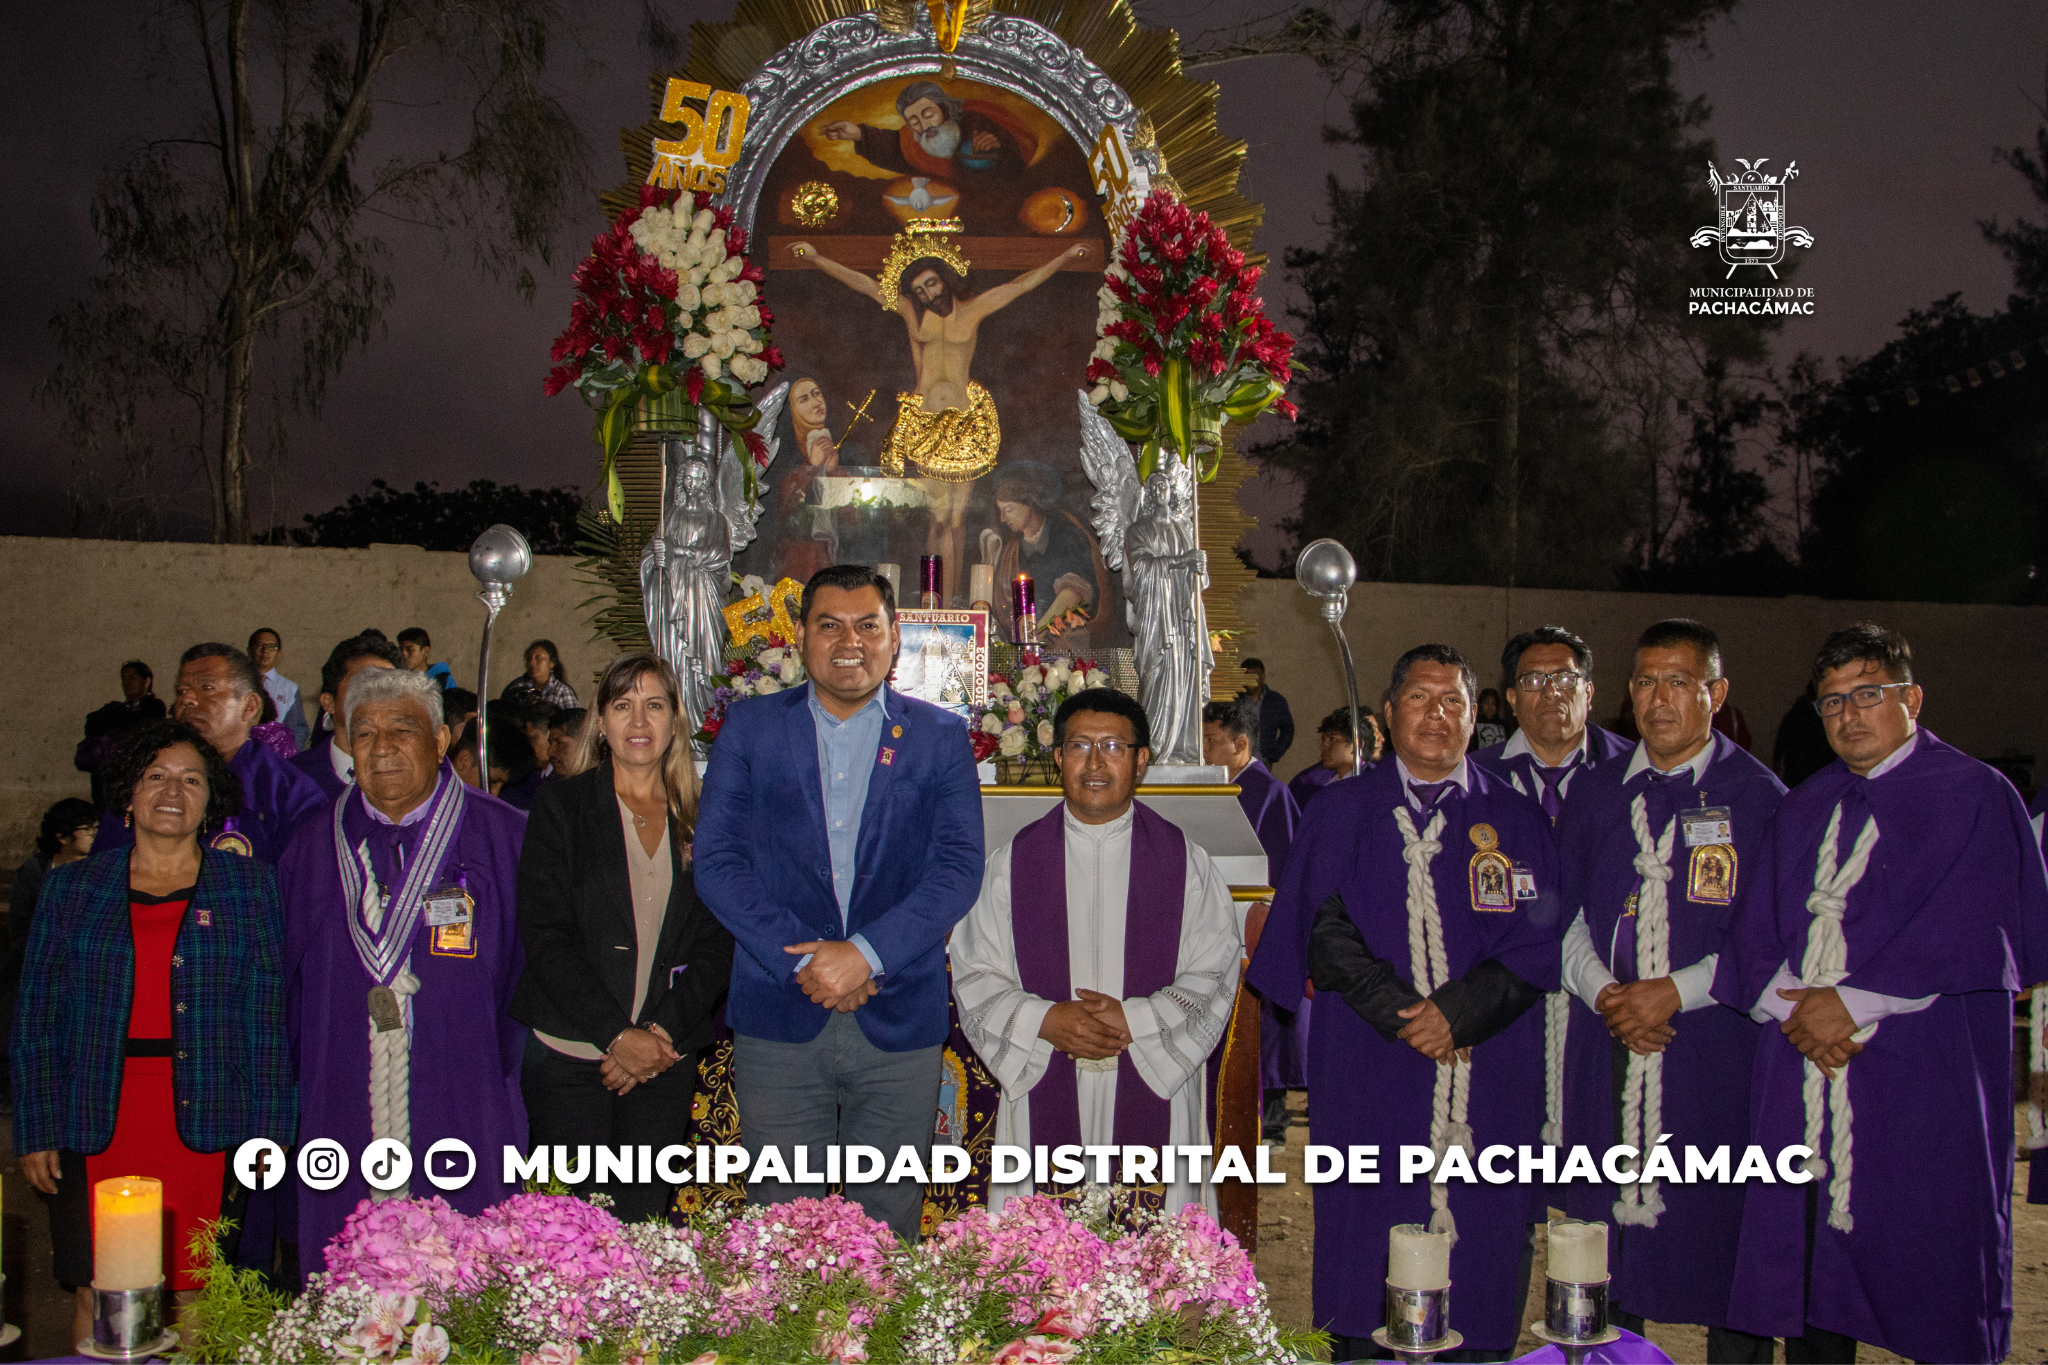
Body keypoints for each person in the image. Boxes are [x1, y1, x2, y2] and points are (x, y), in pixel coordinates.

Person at [1713, 624, 2048, 1365]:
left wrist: (1855, 1002)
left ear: (1912, 698)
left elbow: (1975, 925)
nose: (1849, 714)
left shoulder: (1976, 795)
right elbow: (1756, 934)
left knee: (1934, 1263)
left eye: (1868, 694)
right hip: (1805, 1066)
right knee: (1809, 1277)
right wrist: (1799, 1010)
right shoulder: (1803, 804)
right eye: (1832, 702)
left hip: (1921, 1077)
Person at [1247, 644, 1560, 1361]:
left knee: (1483, 1226)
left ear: (1475, 716)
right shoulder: (1340, 808)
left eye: (1453, 700)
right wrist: (1403, 1012)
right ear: (1388, 714)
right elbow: (1317, 925)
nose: (1436, 715)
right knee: (1369, 1219)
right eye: (1420, 698)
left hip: (1487, 1061)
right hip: (1371, 1057)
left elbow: (1538, 936)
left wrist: (1460, 1012)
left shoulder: (1514, 818)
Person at [694, 564, 984, 1239]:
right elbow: (717, 861)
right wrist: (805, 960)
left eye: (867, 625)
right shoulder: (753, 727)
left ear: (894, 637)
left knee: (887, 1220)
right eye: (829, 624)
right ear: (801, 636)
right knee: (782, 1221)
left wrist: (865, 954)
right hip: (780, 1008)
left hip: (898, 1009)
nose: (848, 640)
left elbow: (958, 866)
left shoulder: (940, 737)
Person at [14, 721, 295, 1344]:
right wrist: (35, 1128)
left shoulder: (249, 889)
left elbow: (267, 1024)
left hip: (208, 1117)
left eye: (191, 779)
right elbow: (35, 1017)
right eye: (156, 776)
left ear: (210, 799)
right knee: (98, 1285)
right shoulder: (72, 888)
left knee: (193, 1288)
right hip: (91, 1116)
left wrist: (270, 1137)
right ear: (128, 795)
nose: (173, 791)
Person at [1552, 619, 1786, 1361]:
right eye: (1647, 681)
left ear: (1715, 693)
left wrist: (1671, 993)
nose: (1660, 698)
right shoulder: (1594, 790)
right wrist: (1605, 995)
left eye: (1680, 681)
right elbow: (1562, 914)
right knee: (1605, 1253)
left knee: (1722, 1236)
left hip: (1712, 1050)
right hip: (1608, 1042)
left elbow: (1771, 934)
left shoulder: (1758, 797)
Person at [953, 689, 1241, 1215]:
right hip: (1047, 1068)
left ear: (1141, 760)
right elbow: (976, 971)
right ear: (1058, 757)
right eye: (1080, 745)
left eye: (1112, 745)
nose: (1095, 761)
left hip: (1153, 1071)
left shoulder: (1186, 863)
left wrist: (1136, 1020)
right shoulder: (1012, 864)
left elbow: (1216, 970)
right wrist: (1045, 1019)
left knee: (1157, 1268)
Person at [279, 667, 529, 1270]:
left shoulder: (507, 836)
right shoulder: (309, 847)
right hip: (341, 1098)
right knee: (344, 1271)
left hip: (465, 1089)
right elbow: (284, 991)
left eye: (402, 729)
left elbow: (531, 974)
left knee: (470, 1271)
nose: (382, 746)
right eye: (363, 732)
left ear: (442, 740)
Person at [511, 654, 735, 1224]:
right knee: (567, 1235)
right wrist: (616, 1036)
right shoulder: (562, 806)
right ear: (602, 722)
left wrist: (653, 1036)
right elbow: (546, 936)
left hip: (662, 1058)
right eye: (623, 705)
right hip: (571, 1054)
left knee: (641, 1229)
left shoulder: (702, 815)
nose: (640, 721)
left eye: (655, 705)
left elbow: (719, 941)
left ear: (675, 721)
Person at [787, 236, 1089, 581]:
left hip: (965, 425)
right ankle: (934, 597)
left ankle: (951, 598)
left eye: (932, 283)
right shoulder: (911, 312)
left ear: (945, 279)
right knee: (938, 517)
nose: (929, 295)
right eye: (919, 290)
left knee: (958, 520)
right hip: (927, 423)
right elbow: (867, 286)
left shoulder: (974, 309)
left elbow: (1020, 285)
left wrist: (1064, 256)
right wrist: (817, 259)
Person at [95, 644, 326, 863]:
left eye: (207, 688)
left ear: (250, 706)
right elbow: (102, 873)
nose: (187, 699)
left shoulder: (290, 794)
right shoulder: (142, 780)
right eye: (181, 691)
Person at [1202, 697, 1305, 1145]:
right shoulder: (1213, 791)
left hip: (1257, 925)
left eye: (1210, 741)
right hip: (1216, 924)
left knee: (1266, 1025)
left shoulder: (1269, 793)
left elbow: (1282, 866)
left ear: (1240, 744)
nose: (1203, 751)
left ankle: (1273, 1123)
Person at [1473, 626, 1632, 824]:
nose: (1550, 692)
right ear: (1513, 699)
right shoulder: (1476, 775)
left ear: (1588, 694)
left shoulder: (1632, 766)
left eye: (1564, 679)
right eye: (1532, 680)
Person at [4, 798, 99, 1093]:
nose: (96, 836)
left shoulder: (101, 870)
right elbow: (20, 928)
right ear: (62, 836)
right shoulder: (35, 872)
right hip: (38, 961)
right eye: (88, 830)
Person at [823, 80, 1034, 186]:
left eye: (928, 114)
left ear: (943, 108)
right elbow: (894, 147)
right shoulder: (917, 147)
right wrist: (858, 133)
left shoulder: (977, 117)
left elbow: (1019, 146)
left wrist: (1000, 144)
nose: (924, 126)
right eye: (914, 122)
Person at [990, 462, 1106, 643]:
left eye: (1008, 510)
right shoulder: (1011, 550)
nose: (1003, 519)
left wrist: (1033, 638)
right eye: (1000, 511)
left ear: (1028, 504)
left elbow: (1074, 591)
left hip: (1064, 647)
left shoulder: (1066, 533)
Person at [289, 634, 404, 801]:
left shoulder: (417, 777)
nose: (378, 696)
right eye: (363, 684)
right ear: (329, 702)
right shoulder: (294, 778)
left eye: (389, 686)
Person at [78, 661, 167, 806]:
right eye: (124, 678)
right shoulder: (115, 709)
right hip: (108, 780)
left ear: (146, 681)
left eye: (132, 677)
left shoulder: (154, 707)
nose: (127, 683)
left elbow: (139, 730)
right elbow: (92, 725)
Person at [1288, 707, 1371, 810]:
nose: (1323, 745)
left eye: (1332, 739)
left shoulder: (1371, 784)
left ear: (1356, 745)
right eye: (1323, 739)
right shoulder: (1321, 784)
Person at [248, 628, 310, 752]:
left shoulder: (289, 688)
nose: (265, 651)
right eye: (260, 645)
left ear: (279, 653)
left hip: (276, 755)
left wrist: (288, 752)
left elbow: (298, 728)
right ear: (249, 650)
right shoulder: (239, 683)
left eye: (272, 647)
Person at [1771, 683, 1835, 788]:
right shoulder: (1797, 712)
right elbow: (1783, 736)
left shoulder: (1827, 714)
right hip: (1798, 770)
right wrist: (1776, 760)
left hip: (1821, 770)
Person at [1235, 658, 1295, 766]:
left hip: (1263, 761)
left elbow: (1288, 730)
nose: (1251, 678)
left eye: (1255, 673)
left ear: (1263, 677)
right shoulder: (1233, 700)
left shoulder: (1276, 701)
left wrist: (1276, 752)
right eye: (1247, 674)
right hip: (1237, 760)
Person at [501, 639, 579, 710]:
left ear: (552, 663)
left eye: (538, 658)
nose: (532, 663)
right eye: (528, 658)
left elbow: (573, 723)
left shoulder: (561, 692)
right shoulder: (517, 688)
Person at [545, 707, 589, 781]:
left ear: (583, 743)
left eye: (559, 743)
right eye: (550, 743)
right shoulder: (550, 785)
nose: (550, 752)